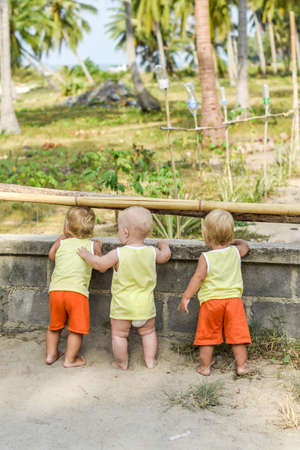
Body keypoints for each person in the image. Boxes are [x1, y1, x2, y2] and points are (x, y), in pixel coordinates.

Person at [78, 206, 171, 370]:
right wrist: (164, 245)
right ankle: (150, 361)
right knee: (149, 333)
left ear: (126, 233)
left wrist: (87, 255)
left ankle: (122, 362)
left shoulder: (118, 253)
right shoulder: (152, 251)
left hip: (122, 307)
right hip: (145, 306)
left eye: (118, 230)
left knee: (119, 335)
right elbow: (165, 256)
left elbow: (100, 265)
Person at [178, 209, 251, 376]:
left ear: (207, 237)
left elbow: (198, 278)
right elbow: (245, 246)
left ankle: (205, 367)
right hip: (233, 302)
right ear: (231, 235)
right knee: (237, 336)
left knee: (207, 336)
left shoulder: (206, 257)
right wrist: (235, 240)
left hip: (211, 303)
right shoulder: (235, 251)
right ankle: (242, 366)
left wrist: (186, 297)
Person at [46, 206, 101, 368]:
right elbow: (100, 263)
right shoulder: (91, 246)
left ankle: (50, 355)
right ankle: (70, 359)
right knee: (76, 330)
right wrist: (98, 247)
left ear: (67, 227)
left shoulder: (61, 242)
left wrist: (60, 240)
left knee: (54, 327)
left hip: (56, 291)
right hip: (77, 294)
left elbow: (51, 256)